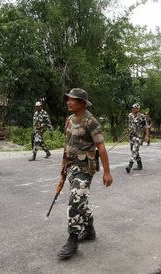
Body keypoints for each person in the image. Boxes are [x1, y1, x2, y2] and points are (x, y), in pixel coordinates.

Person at [58, 88, 113, 259]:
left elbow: (101, 147)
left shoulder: (91, 121)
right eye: (67, 99)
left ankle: (72, 239)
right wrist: (62, 171)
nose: (68, 101)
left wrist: (107, 173)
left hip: (85, 168)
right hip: (72, 167)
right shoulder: (69, 120)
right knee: (81, 199)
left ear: (82, 102)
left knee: (75, 200)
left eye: (72, 99)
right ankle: (89, 230)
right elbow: (66, 146)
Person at [126, 103, 150, 173]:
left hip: (139, 136)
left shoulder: (142, 116)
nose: (132, 109)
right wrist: (128, 130)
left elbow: (146, 127)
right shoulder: (130, 115)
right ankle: (140, 165)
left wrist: (146, 136)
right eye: (132, 108)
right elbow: (130, 124)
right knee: (134, 151)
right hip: (131, 136)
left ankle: (129, 166)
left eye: (134, 108)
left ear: (138, 109)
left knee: (134, 150)